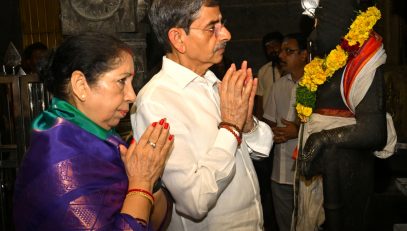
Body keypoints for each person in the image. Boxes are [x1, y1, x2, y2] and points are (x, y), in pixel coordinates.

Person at [131, 1, 273, 230]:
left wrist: (246, 125)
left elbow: (262, 149)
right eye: (212, 27)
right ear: (178, 39)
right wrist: (230, 129)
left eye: (222, 24)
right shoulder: (156, 101)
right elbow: (194, 200)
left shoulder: (211, 81)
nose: (226, 34)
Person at [13, 33, 174, 230]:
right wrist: (141, 182)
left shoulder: (99, 137)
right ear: (81, 85)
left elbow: (155, 219)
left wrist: (150, 179)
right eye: (122, 81)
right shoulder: (60, 156)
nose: (132, 95)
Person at [295, 1, 396, 230]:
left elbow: (374, 131)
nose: (313, 32)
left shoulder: (365, 63)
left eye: (319, 22)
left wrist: (323, 138)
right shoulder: (322, 66)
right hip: (322, 177)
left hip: (349, 179)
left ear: (339, 22)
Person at [263, 33, 308, 231]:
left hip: (308, 178)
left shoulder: (319, 85)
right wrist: (272, 133)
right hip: (279, 175)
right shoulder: (277, 87)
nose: (281, 55)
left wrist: (297, 131)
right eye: (282, 51)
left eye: (288, 51)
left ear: (304, 55)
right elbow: (269, 123)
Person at [254, 31, 284, 119]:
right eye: (268, 47)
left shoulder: (292, 68)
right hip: (269, 122)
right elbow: (260, 100)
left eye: (275, 45)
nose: (272, 49)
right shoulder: (263, 71)